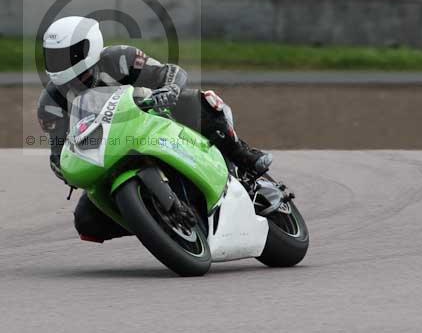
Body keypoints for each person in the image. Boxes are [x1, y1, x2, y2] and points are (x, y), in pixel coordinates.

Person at [37, 16, 272, 242]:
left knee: (194, 101)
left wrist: (169, 89)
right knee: (86, 221)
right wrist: (67, 168)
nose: (61, 63)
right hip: (108, 156)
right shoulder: (50, 104)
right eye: (54, 56)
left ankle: (242, 153)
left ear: (90, 47)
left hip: (155, 124)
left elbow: (171, 72)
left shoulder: (119, 58)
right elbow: (58, 153)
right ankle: (153, 220)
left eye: (68, 55)